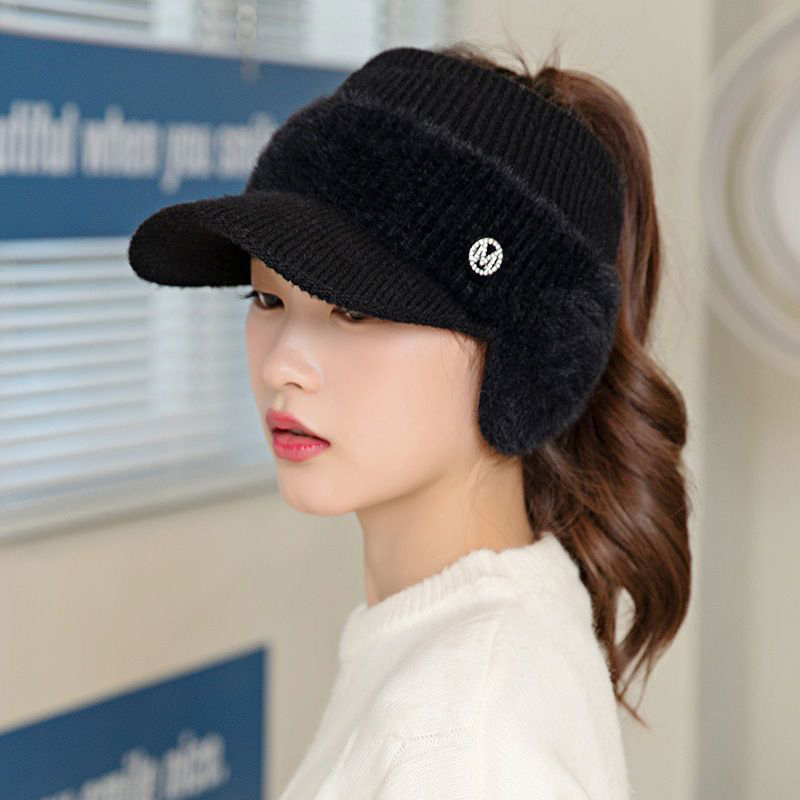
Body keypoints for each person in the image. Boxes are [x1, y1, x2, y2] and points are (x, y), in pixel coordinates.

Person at [128, 40, 692, 800]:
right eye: (267, 299)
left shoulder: (463, 738)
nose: (282, 364)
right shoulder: (463, 654)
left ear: (529, 357)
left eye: (355, 310)